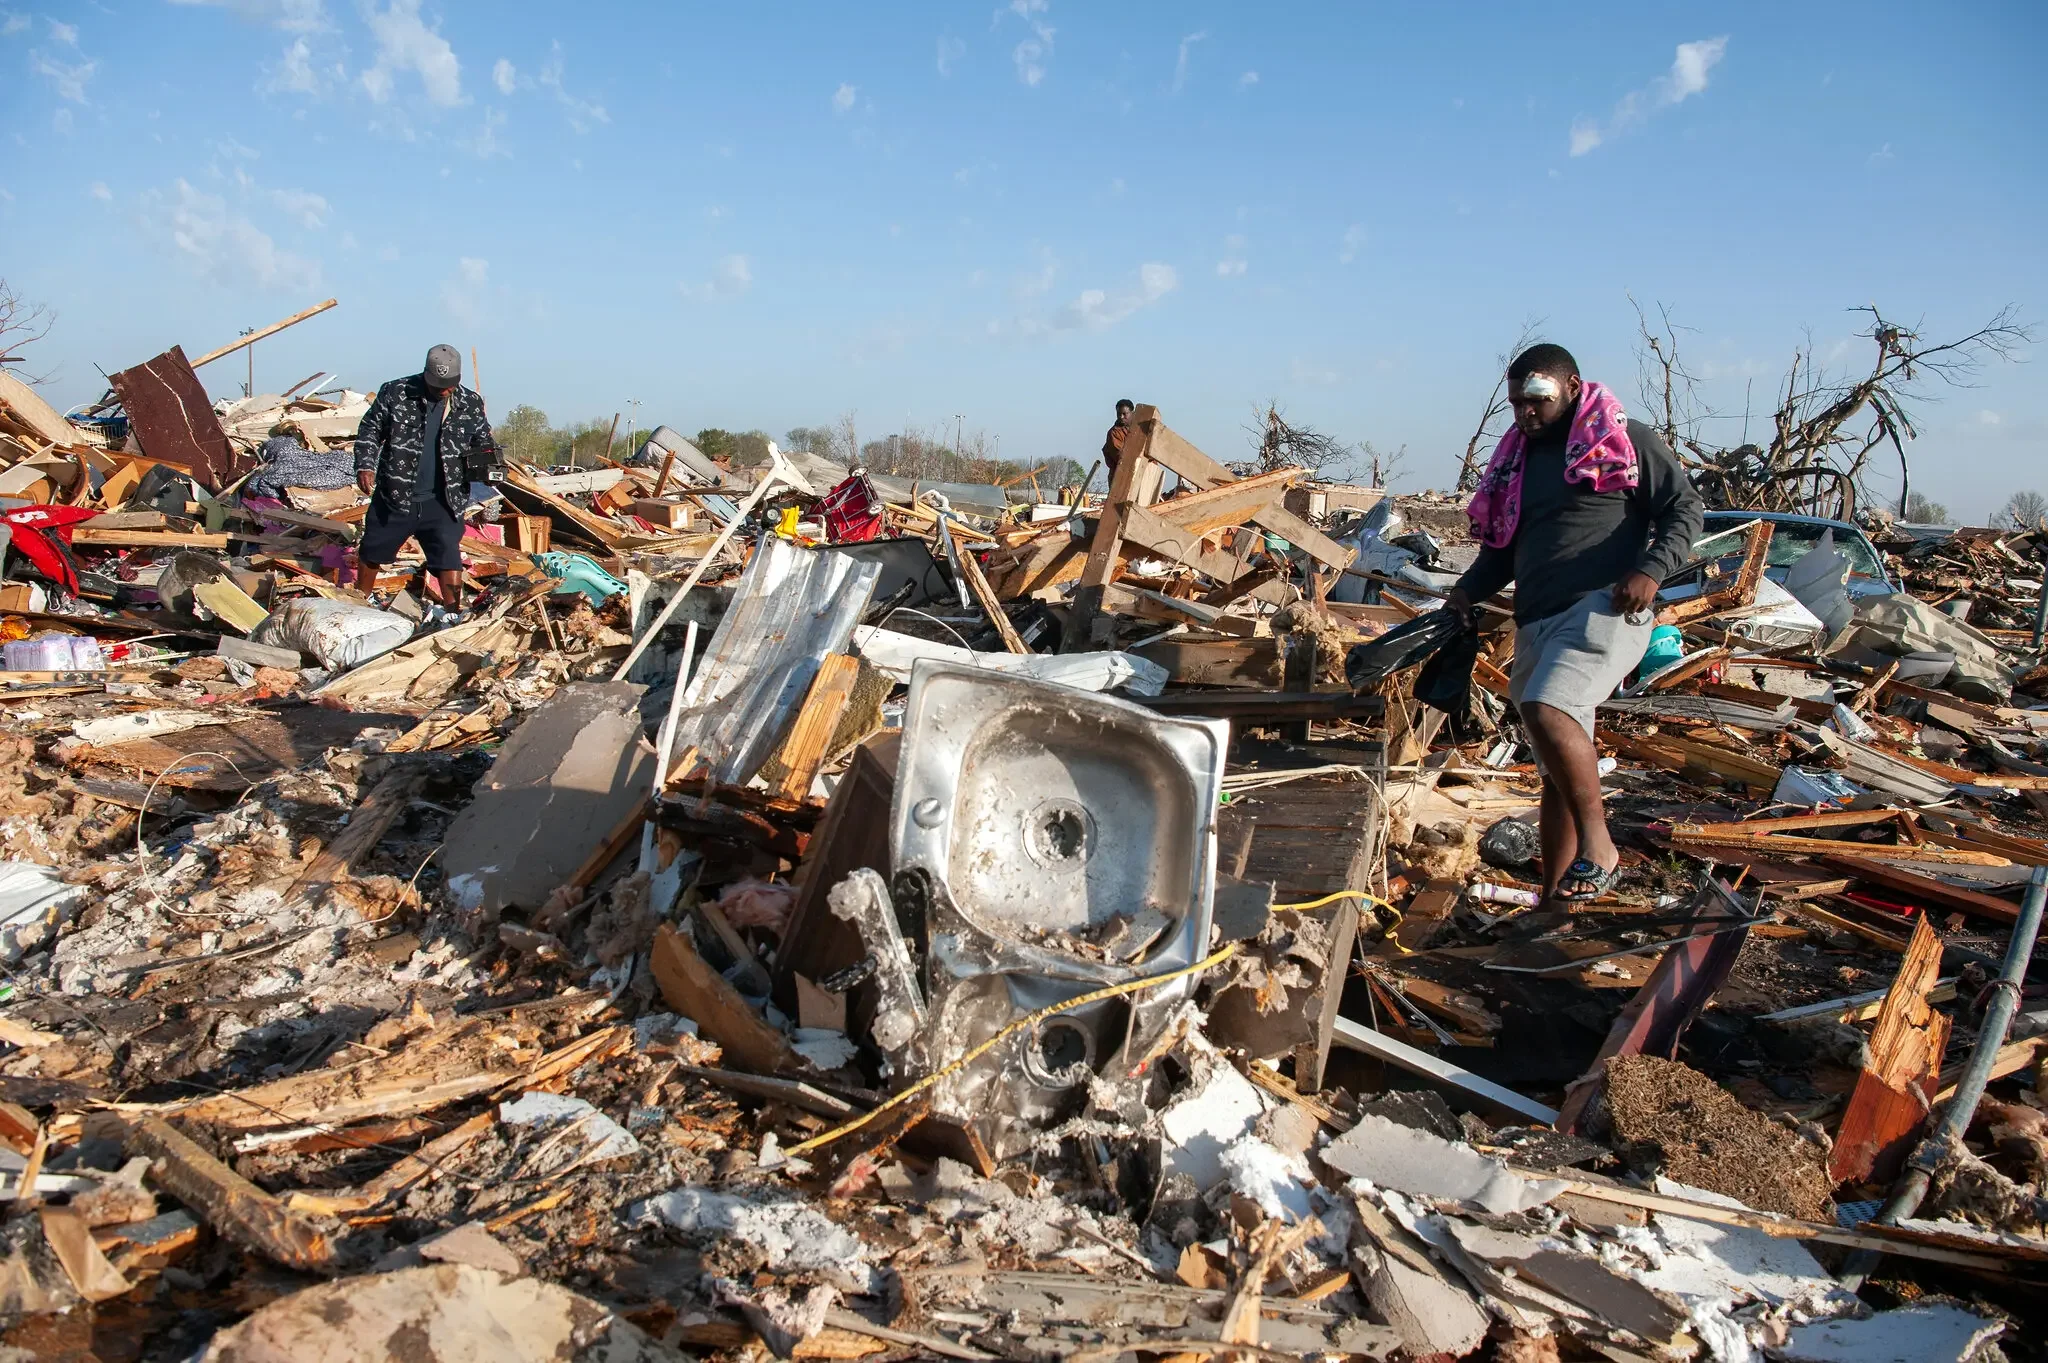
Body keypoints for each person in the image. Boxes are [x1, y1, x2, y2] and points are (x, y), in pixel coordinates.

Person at [1447, 344, 1703, 905]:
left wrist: (1652, 570)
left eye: (1536, 400)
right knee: (1557, 774)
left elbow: (1685, 509)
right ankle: (1556, 903)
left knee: (1547, 705)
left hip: (1604, 608)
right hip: (1537, 619)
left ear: (1571, 386)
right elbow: (1500, 553)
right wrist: (1465, 592)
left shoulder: (1622, 439)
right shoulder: (1517, 461)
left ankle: (1601, 847)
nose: (1525, 414)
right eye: (1516, 403)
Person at [353, 344, 497, 613]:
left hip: (445, 496)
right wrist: (365, 465)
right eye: (438, 384)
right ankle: (360, 600)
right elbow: (370, 429)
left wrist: (489, 469)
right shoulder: (396, 392)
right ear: (426, 374)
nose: (444, 390)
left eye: (449, 385)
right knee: (373, 549)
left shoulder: (470, 402)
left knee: (448, 556)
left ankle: (453, 614)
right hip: (396, 493)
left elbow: (484, 443)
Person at [1101, 398, 1136, 478]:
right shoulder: (1114, 433)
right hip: (1120, 476)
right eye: (1118, 414)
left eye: (1124, 414)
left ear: (1132, 413)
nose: (1121, 417)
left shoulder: (1139, 429)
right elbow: (1121, 457)